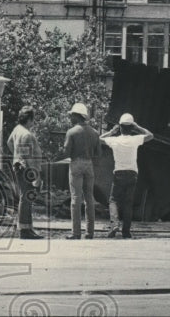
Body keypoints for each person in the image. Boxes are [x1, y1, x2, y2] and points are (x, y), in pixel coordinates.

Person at [100, 113, 153, 239]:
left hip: (119, 173)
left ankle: (114, 225)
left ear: (120, 127)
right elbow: (151, 136)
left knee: (113, 200)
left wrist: (112, 131)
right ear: (131, 128)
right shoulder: (135, 139)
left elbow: (99, 138)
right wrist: (137, 126)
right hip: (132, 173)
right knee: (128, 203)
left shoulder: (115, 140)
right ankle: (126, 232)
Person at [63, 103, 100, 240]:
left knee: (76, 198)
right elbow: (99, 153)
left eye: (72, 115)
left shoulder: (72, 132)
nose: (70, 117)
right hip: (89, 164)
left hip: (76, 163)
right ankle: (90, 233)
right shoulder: (95, 133)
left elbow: (66, 151)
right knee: (89, 198)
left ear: (77, 116)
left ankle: (76, 232)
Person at [7, 106, 44, 240]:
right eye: (33, 119)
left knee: (27, 197)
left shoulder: (17, 129)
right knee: (26, 197)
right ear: (29, 119)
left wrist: (16, 156)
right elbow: (28, 157)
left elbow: (9, 142)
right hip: (26, 168)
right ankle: (24, 230)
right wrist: (36, 175)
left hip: (19, 165)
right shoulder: (26, 134)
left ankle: (28, 228)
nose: (34, 122)